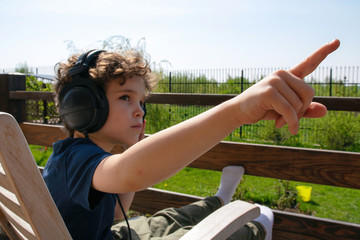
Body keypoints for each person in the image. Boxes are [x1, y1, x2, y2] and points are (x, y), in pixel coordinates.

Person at [42, 39, 340, 240]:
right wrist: (236, 111)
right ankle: (241, 215)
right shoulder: (75, 158)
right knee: (259, 218)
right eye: (125, 98)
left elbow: (118, 210)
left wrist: (132, 149)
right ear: (82, 107)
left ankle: (219, 198)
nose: (139, 110)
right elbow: (131, 173)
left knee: (172, 216)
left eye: (141, 100)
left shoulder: (75, 157)